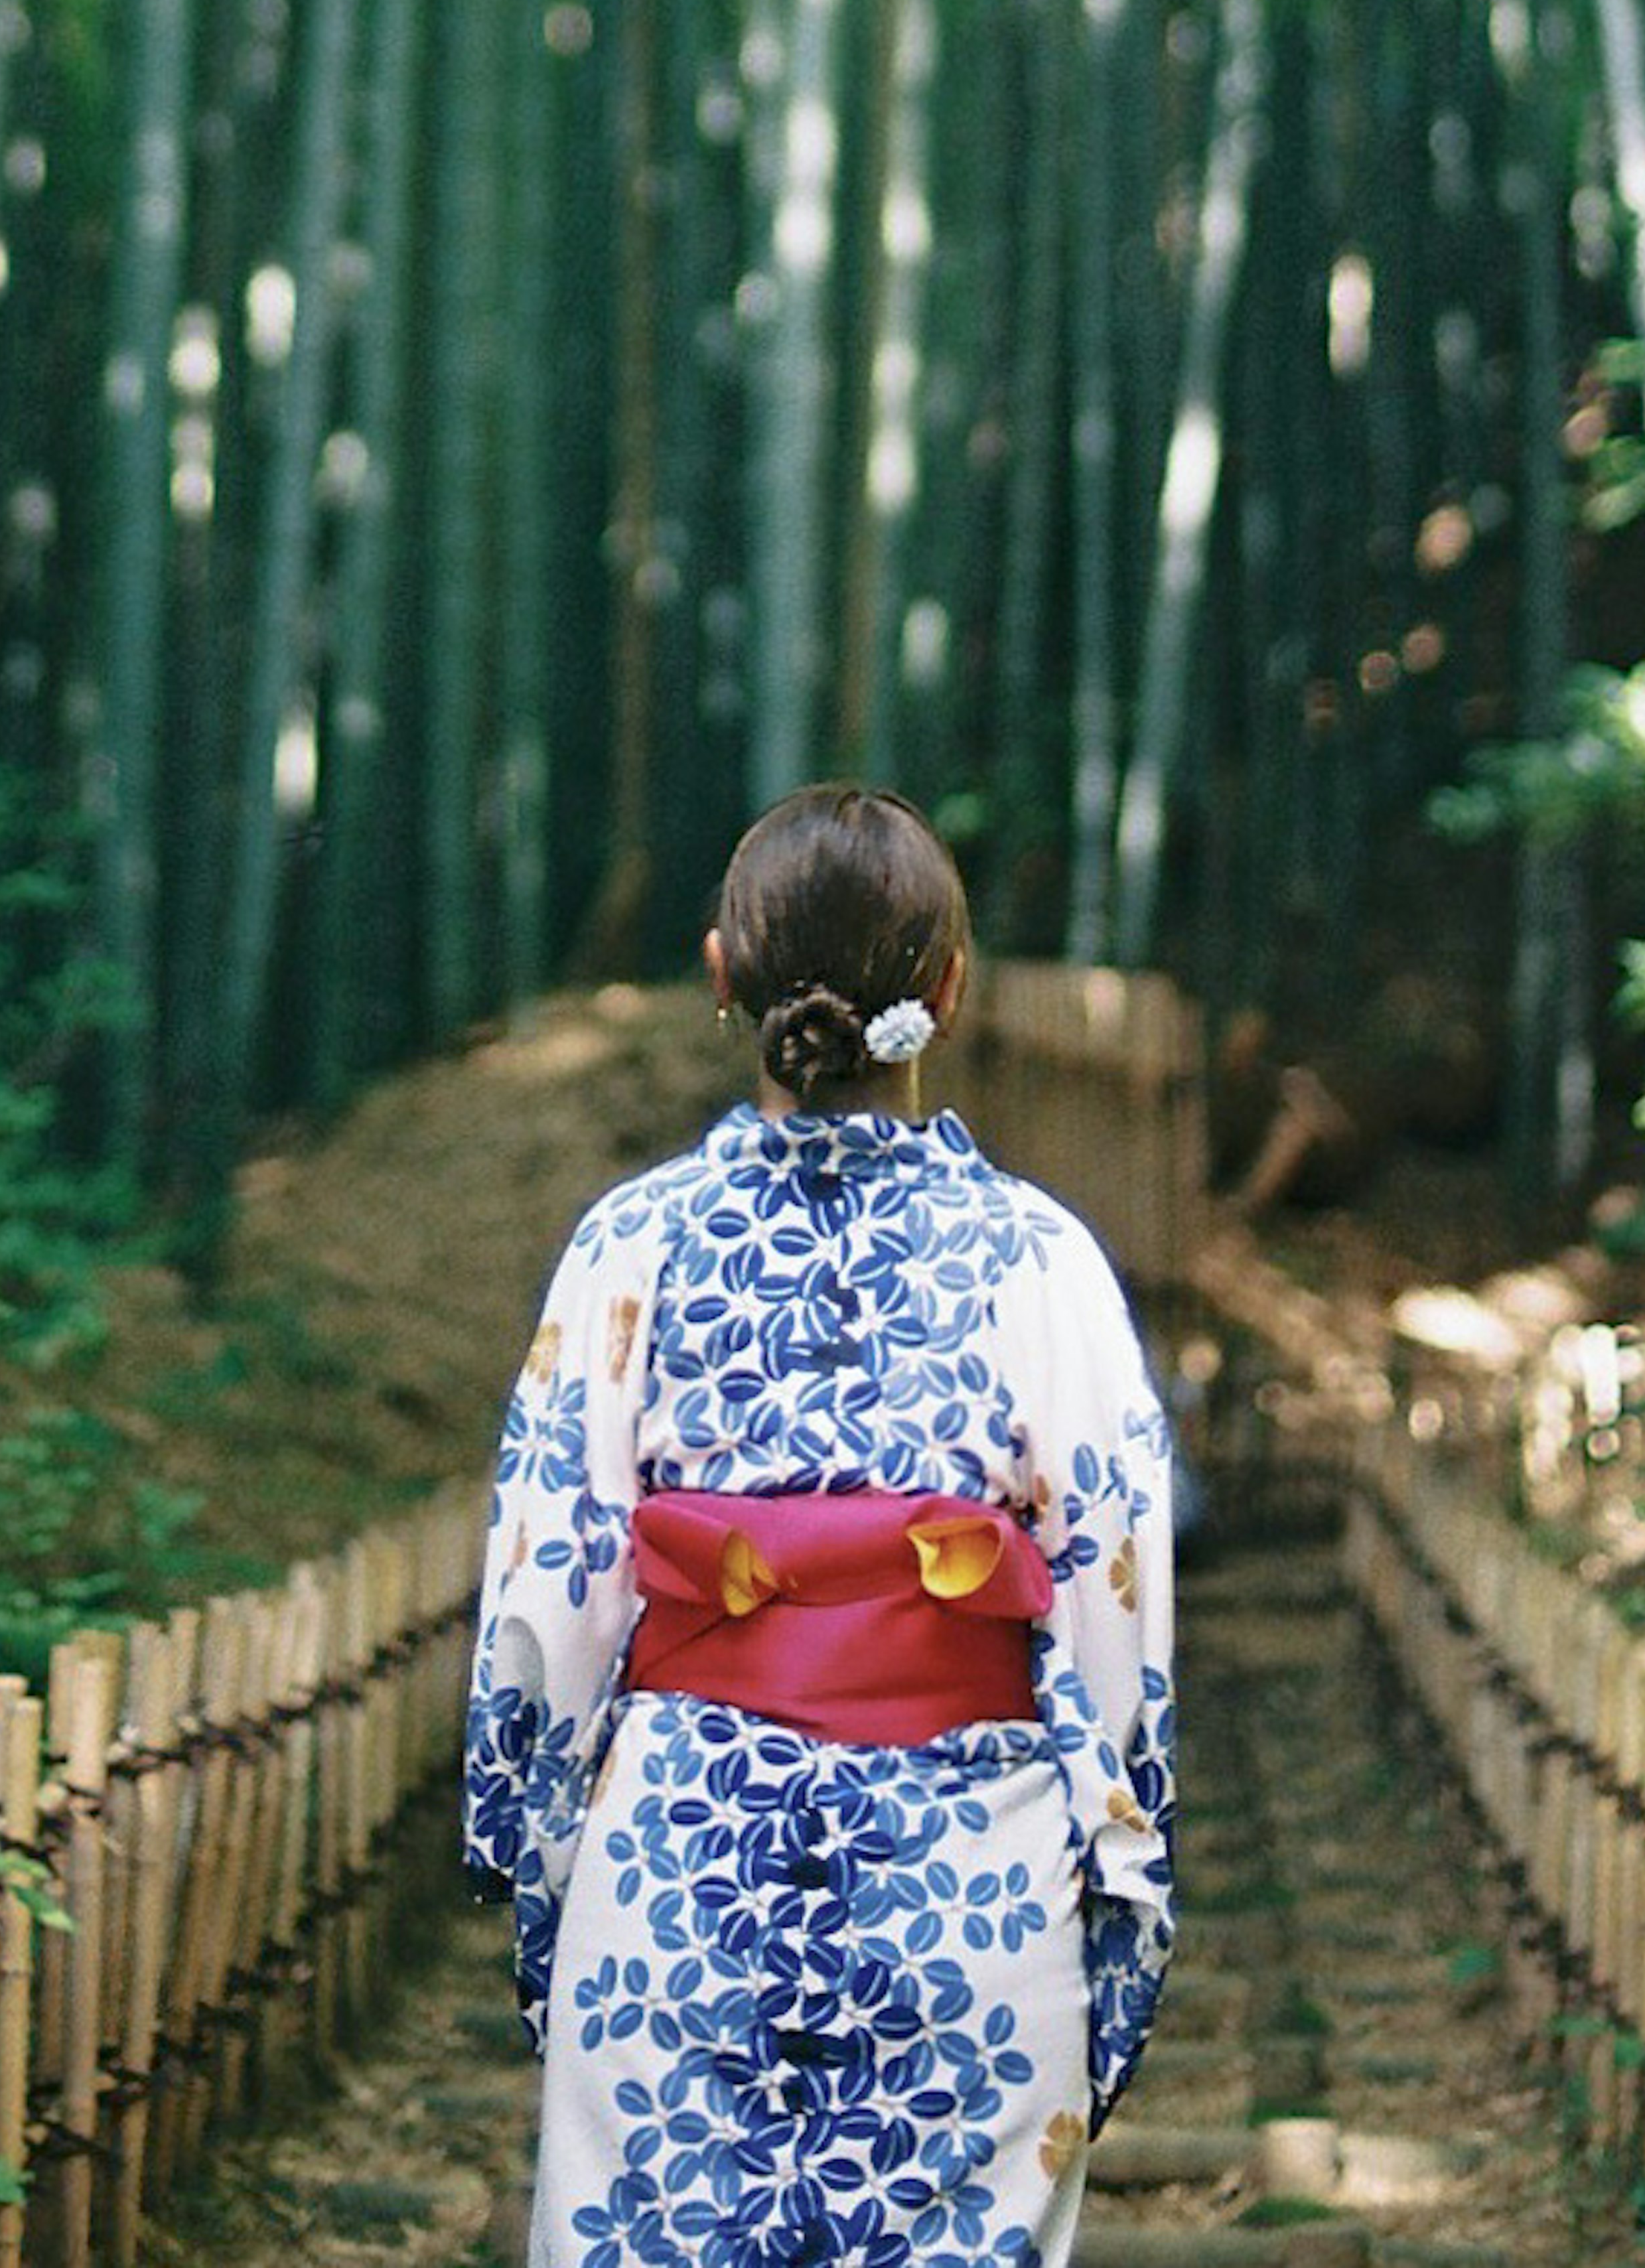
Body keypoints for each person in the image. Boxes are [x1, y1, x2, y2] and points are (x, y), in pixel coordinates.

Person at [463, 785, 1177, 2267]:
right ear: (952, 990)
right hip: (968, 1871)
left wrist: (540, 1853)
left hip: (680, 1862)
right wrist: (1117, 1856)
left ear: (723, 972)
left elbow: (547, 1606)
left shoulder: (632, 1243)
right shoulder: (1038, 1259)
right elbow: (1115, 1598)